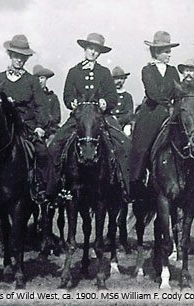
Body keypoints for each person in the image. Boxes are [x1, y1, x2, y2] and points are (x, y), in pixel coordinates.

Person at [48, 32, 123, 195]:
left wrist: (106, 103)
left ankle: (123, 188)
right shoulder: (74, 72)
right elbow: (67, 95)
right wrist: (71, 102)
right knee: (54, 146)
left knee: (123, 144)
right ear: (85, 49)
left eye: (96, 50)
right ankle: (53, 189)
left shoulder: (104, 72)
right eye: (90, 48)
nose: (93, 52)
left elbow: (112, 96)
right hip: (78, 118)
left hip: (101, 118)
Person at [0, 34, 50, 202]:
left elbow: (41, 106)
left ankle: (40, 188)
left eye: (22, 57)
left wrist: (40, 126)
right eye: (16, 56)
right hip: (2, 127)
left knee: (42, 152)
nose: (19, 60)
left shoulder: (32, 81)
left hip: (25, 126)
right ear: (10, 55)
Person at [128, 31, 181, 188]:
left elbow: (178, 91)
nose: (169, 55)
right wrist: (168, 104)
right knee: (142, 147)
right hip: (152, 112)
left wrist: (176, 105)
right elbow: (153, 93)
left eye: (169, 51)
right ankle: (136, 179)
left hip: (170, 112)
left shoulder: (173, 71)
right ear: (157, 52)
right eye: (166, 52)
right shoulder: (148, 70)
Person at [33, 65, 61, 143]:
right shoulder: (30, 97)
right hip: (34, 130)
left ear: (46, 79)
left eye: (42, 78)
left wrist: (46, 122)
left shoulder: (52, 97)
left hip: (50, 130)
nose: (39, 81)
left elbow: (57, 117)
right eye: (37, 78)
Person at [111, 66, 136, 135]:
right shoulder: (108, 95)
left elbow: (129, 113)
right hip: (110, 123)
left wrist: (119, 121)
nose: (119, 81)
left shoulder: (127, 96)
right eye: (116, 79)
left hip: (123, 124)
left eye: (121, 78)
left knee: (127, 133)